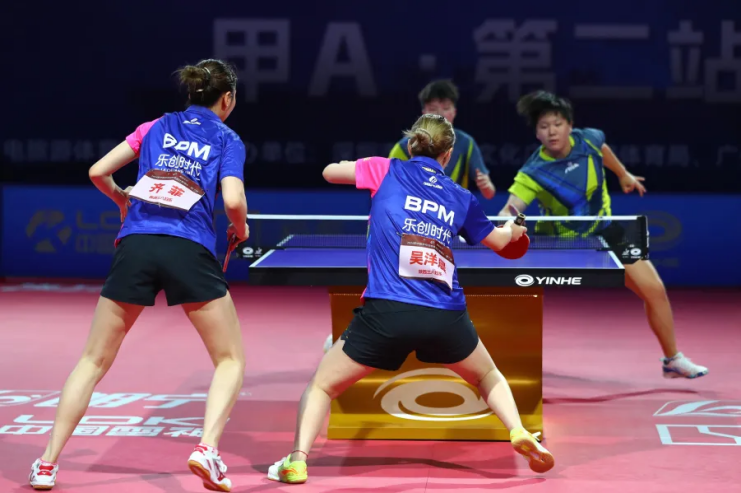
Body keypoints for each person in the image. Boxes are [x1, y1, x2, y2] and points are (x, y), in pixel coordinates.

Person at [268, 113, 555, 485]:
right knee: (487, 375)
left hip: (386, 312)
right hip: (446, 316)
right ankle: (517, 429)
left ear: (410, 145)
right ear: (448, 155)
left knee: (322, 385)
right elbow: (500, 243)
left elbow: (329, 172)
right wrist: (514, 230)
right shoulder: (461, 196)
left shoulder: (385, 169)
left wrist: (358, 164)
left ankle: (297, 462)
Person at [28, 59, 249, 492]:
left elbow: (98, 171)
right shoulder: (227, 138)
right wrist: (240, 229)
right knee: (230, 359)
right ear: (227, 99)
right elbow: (233, 200)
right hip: (188, 248)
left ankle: (47, 463)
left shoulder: (154, 127)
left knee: (92, 360)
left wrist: (121, 200)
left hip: (137, 245)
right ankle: (206, 449)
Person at [498, 90, 708, 379]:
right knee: (519, 292)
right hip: (561, 244)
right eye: (544, 127)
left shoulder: (588, 139)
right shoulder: (533, 172)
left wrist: (623, 174)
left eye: (557, 124)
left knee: (654, 290)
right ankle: (497, 360)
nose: (552, 131)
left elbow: (603, 149)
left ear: (570, 126)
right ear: (537, 133)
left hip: (606, 232)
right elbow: (511, 207)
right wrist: (506, 222)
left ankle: (672, 360)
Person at [388, 79, 496, 199]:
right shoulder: (403, 147)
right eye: (433, 109)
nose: (440, 115)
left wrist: (486, 185)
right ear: (424, 113)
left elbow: (489, 193)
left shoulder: (466, 143)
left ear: (454, 112)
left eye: (445, 108)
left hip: (454, 210)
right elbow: (388, 189)